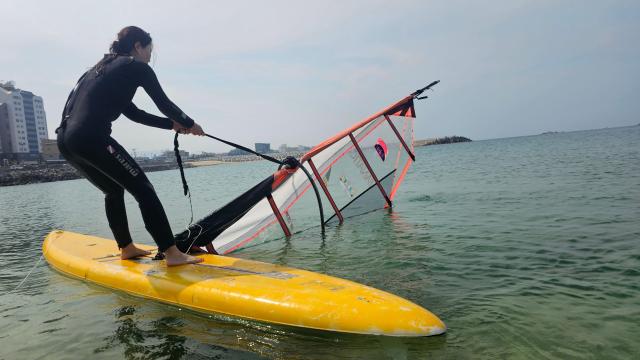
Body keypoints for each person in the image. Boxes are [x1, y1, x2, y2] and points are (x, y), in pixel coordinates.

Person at [56, 26, 204, 266]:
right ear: (138, 46)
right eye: (149, 50)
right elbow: (164, 103)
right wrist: (190, 123)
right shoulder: (136, 67)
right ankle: (172, 253)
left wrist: (172, 125)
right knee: (143, 189)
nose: (149, 56)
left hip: (65, 141)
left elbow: (134, 114)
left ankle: (126, 248)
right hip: (91, 137)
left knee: (113, 189)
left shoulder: (100, 70)